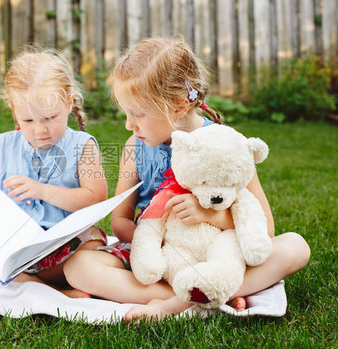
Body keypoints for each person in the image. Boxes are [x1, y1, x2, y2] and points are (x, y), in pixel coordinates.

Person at [63, 36, 311, 320]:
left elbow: (265, 229)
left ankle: (174, 304)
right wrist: (158, 244)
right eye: (126, 113)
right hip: (157, 260)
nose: (128, 125)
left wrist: (210, 216)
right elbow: (120, 221)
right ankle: (209, 295)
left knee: (295, 247)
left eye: (138, 114)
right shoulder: (135, 147)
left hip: (216, 255)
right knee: (77, 266)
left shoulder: (225, 145)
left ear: (179, 107)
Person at [0, 49, 108, 298]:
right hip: (15, 247)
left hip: (61, 248)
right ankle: (56, 294)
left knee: (91, 251)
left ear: (68, 103)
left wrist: (43, 191)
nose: (40, 130)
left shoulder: (82, 146)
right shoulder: (5, 144)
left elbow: (96, 199)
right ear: (14, 111)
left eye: (49, 118)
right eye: (28, 121)